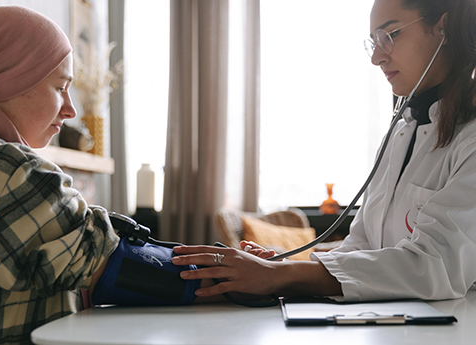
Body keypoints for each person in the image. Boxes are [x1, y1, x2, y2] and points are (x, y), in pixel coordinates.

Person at [172, 0, 476, 302]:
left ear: (443, 27)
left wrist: (281, 275)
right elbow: (362, 247)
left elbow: (437, 265)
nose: (377, 58)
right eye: (374, 42)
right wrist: (282, 263)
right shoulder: (400, 132)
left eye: (390, 35)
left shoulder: (470, 138)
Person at [0, 6, 204, 345]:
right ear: (7, 78)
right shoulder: (8, 172)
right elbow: (128, 270)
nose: (70, 110)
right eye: (60, 88)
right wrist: (254, 275)